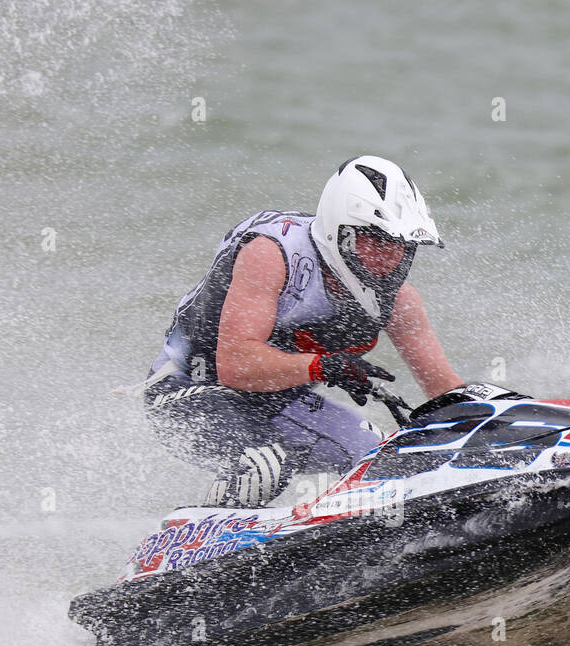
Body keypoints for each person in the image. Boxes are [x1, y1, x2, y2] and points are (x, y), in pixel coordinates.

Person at [142, 155, 464, 507]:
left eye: (401, 246)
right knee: (264, 466)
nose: (389, 258)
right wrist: (325, 367)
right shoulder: (271, 253)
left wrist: (512, 417)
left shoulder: (399, 300)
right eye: (376, 241)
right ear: (340, 232)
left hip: (281, 402)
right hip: (186, 393)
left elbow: (444, 390)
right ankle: (190, 551)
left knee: (388, 468)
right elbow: (234, 365)